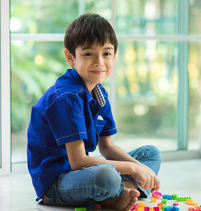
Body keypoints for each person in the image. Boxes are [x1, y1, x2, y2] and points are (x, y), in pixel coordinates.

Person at [27, 13, 161, 211]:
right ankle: (117, 192)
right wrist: (133, 169)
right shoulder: (66, 97)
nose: (99, 61)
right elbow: (78, 162)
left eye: (106, 53)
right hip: (57, 183)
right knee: (105, 175)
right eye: (89, 54)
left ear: (114, 55)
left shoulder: (99, 92)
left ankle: (119, 193)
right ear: (70, 57)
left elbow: (107, 147)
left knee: (150, 154)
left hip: (82, 174)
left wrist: (142, 168)